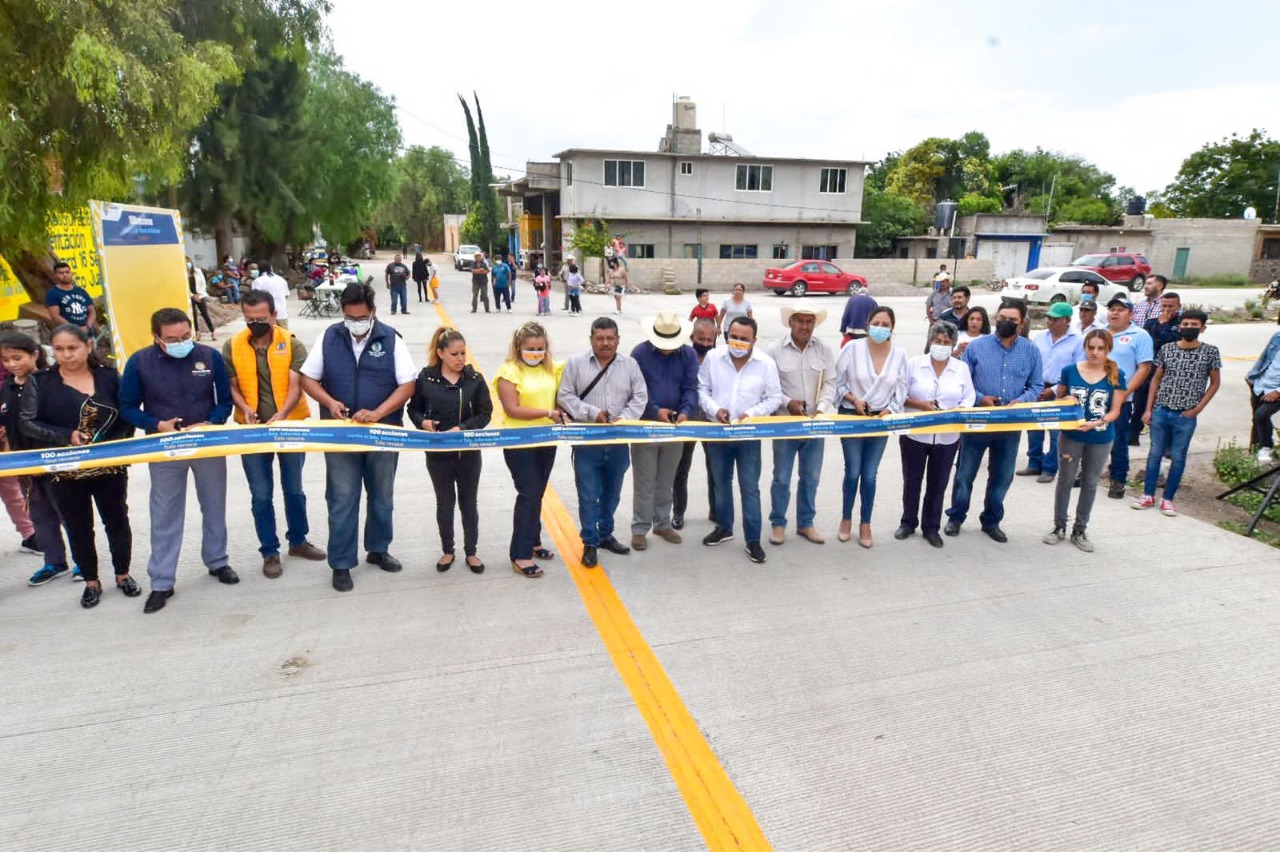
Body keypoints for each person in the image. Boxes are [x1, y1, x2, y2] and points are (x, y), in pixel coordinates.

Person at [299, 283, 417, 592]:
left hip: (382, 433)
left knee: (382, 496)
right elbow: (308, 378)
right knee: (342, 497)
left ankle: (378, 549)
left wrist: (378, 413)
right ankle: (341, 563)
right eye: (349, 318)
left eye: (361, 318)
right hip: (341, 434)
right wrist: (329, 402)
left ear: (373, 312)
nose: (355, 324)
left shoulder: (390, 339)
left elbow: (407, 385)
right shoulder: (329, 337)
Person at [120, 308, 236, 613]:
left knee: (214, 504)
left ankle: (217, 561)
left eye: (186, 336)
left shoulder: (209, 357)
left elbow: (225, 401)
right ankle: (162, 581)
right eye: (172, 339)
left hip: (206, 444)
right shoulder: (139, 362)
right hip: (165, 446)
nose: (181, 342)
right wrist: (157, 424)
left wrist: (212, 422)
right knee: (165, 513)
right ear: (156, 337)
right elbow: (127, 407)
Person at [17, 324, 138, 607]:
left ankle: (123, 574)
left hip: (109, 465)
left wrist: (115, 447)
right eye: (59, 349)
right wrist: (65, 436)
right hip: (65, 469)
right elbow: (27, 422)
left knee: (117, 520)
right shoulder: (41, 381)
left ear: (88, 346)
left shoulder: (109, 377)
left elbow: (127, 415)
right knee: (79, 526)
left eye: (73, 348)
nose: (67, 355)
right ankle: (91, 581)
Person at [223, 290, 325, 577]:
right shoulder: (232, 346)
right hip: (252, 431)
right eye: (250, 319)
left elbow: (296, 386)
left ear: (274, 315)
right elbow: (231, 385)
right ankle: (269, 551)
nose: (255, 324)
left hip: (289, 427)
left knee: (294, 489)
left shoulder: (292, 344)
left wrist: (282, 415)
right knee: (260, 495)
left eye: (261, 319)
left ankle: (299, 541)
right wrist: (244, 408)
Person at [945, 301, 1043, 543]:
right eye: (1002, 318)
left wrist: (1021, 401)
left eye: (1012, 320)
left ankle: (991, 521)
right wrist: (980, 398)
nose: (1005, 323)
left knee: (1002, 476)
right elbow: (963, 381)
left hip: (1010, 425)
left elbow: (1036, 385)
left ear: (1022, 323)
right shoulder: (977, 347)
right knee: (965, 474)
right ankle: (956, 517)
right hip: (978, 422)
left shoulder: (1031, 351)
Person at [557, 317, 648, 567]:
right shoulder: (576, 363)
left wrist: (624, 419)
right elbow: (564, 395)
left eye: (610, 338)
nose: (605, 343)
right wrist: (593, 413)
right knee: (588, 495)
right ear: (591, 340)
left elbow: (640, 396)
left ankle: (606, 534)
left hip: (618, 441)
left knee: (612, 494)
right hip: (588, 442)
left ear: (618, 340)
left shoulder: (630, 365)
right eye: (600, 338)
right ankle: (590, 541)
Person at [698, 317, 784, 563]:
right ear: (727, 336)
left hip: (748, 435)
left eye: (744, 339)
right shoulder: (713, 358)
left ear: (754, 340)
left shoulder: (766, 364)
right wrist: (715, 410)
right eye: (733, 337)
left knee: (749, 487)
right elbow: (702, 389)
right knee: (721, 483)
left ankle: (753, 539)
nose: (737, 342)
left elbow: (774, 398)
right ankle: (724, 527)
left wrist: (751, 414)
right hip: (718, 432)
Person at [408, 327, 492, 573]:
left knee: (469, 503)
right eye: (454, 354)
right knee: (444, 503)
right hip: (438, 454)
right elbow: (413, 409)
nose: (460, 359)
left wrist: (462, 428)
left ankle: (471, 552)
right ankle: (448, 550)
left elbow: (485, 413)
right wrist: (423, 422)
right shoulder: (426, 379)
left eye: (463, 353)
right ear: (441, 353)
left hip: (468, 453)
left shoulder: (474, 380)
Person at [1043, 329, 1128, 552]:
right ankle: (1059, 525)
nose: (1095, 352)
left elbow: (1116, 410)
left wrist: (1097, 422)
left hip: (1100, 437)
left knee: (1090, 484)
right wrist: (1066, 399)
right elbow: (1059, 401)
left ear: (1108, 349)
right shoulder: (1070, 371)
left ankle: (1080, 529)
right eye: (1091, 347)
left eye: (1101, 348)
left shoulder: (1116, 374)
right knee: (1065, 480)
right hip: (1071, 436)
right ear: (1085, 347)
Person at [0, 333, 72, 585]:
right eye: (5, 360)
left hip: (54, 459)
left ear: (35, 355)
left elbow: (60, 421)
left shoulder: (51, 382)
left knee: (68, 513)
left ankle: (84, 563)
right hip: (24, 463)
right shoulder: (6, 387)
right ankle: (54, 562)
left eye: (17, 358)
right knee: (40, 516)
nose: (11, 364)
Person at [1133, 309, 1221, 516]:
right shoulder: (1167, 349)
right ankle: (1147, 495)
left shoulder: (1210, 352)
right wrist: (1149, 409)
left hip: (1186, 415)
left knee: (1178, 457)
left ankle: (1168, 499)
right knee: (1154, 453)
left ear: (1202, 328)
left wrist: (1198, 409)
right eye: (1186, 324)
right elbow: (1156, 379)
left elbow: (1215, 383)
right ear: (1180, 326)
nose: (1189, 328)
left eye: (1194, 325)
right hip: (1161, 410)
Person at [834, 306, 908, 547]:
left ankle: (865, 523)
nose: (880, 328)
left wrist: (890, 410)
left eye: (885, 325)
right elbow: (837, 382)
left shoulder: (899, 355)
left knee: (869, 475)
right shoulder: (852, 348)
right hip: (853, 416)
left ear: (892, 328)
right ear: (868, 324)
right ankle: (846, 518)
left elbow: (901, 390)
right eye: (876, 323)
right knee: (852, 471)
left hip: (880, 421)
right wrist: (853, 400)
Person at [495, 321, 564, 578]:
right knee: (528, 494)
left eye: (540, 349)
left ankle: (534, 541)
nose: (536, 353)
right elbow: (512, 409)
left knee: (538, 493)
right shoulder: (509, 372)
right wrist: (548, 412)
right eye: (531, 349)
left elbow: (561, 397)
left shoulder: (552, 369)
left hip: (546, 440)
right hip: (519, 442)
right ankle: (519, 554)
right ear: (518, 348)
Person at [897, 320, 974, 548]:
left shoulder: (961, 368)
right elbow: (899, 395)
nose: (941, 345)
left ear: (953, 345)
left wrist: (958, 411)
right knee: (912, 480)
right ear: (930, 341)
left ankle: (931, 527)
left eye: (946, 342)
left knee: (938, 483)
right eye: (937, 341)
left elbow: (969, 397)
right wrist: (920, 405)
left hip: (947, 437)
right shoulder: (914, 364)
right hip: (915, 435)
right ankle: (908, 522)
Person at [766, 307, 837, 545]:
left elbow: (830, 383)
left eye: (809, 322)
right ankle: (778, 523)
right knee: (781, 477)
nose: (805, 326)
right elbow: (769, 387)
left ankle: (806, 523)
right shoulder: (774, 350)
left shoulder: (824, 349)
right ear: (791, 322)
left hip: (814, 425)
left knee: (811, 476)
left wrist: (821, 408)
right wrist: (788, 402)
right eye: (800, 321)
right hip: (785, 425)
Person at [630, 311, 698, 550]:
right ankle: (640, 527)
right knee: (645, 480)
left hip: (674, 427)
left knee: (667, 479)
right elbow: (636, 391)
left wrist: (686, 411)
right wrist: (655, 411)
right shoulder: (639, 354)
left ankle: (662, 523)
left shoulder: (688, 355)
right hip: (646, 426)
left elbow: (691, 387)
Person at [1017, 302, 1083, 484]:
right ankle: (1034, 462)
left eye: (1056, 319)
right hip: (1037, 387)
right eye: (1050, 318)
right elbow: (1030, 362)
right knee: (1034, 428)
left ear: (1067, 320)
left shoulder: (1078, 342)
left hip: (1060, 390)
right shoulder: (1039, 338)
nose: (1051, 322)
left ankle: (1050, 467)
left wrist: (1053, 390)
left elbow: (1077, 370)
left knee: (1055, 432)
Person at [1101, 297, 1154, 498]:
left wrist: (1125, 393)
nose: (1114, 313)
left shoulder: (1140, 335)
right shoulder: (1099, 333)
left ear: (1131, 314)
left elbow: (1144, 368)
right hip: (1095, 396)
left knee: (1118, 441)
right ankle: (1087, 472)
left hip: (1121, 399)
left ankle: (1118, 480)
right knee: (1089, 437)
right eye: (1112, 309)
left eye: (1120, 310)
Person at [673, 318, 719, 530]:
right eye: (701, 339)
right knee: (680, 469)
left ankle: (716, 510)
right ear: (692, 337)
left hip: (712, 421)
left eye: (710, 339)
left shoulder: (719, 359)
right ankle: (678, 511)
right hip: (687, 420)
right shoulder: (682, 357)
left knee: (715, 469)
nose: (706, 343)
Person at [1247, 323, 1280, 463]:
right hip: (1260, 385)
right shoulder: (1277, 336)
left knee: (1261, 415)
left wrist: (1278, 392)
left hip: (1276, 390)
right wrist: (1251, 376)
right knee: (1257, 420)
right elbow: (1264, 357)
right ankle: (1254, 453)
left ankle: (1266, 447)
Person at [45, 261, 96, 330]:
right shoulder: (53, 293)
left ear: (71, 274)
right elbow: (55, 316)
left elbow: (92, 311)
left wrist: (88, 326)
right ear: (55, 276)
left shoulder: (81, 291)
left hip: (87, 332)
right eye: (61, 273)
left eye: (67, 272)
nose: (65, 275)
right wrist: (75, 330)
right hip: (68, 333)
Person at [250, 261, 291, 329]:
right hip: (282, 313)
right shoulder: (281, 279)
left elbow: (255, 298)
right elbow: (286, 295)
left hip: (266, 314)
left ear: (260, 269)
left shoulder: (258, 281)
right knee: (283, 334)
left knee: (269, 334)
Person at [188, 256, 217, 341]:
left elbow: (203, 283)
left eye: (189, 262)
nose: (188, 264)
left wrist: (199, 294)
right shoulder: (184, 273)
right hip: (191, 296)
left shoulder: (197, 271)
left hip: (200, 295)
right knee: (193, 315)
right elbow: (185, 287)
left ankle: (212, 331)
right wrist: (192, 295)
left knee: (204, 313)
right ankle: (197, 332)